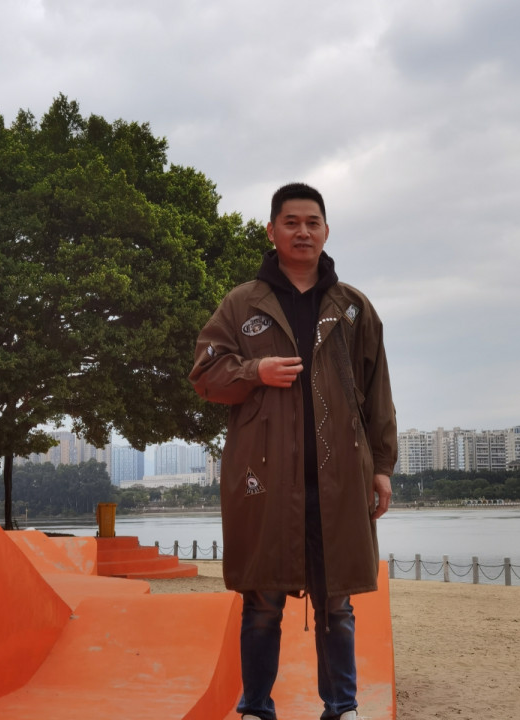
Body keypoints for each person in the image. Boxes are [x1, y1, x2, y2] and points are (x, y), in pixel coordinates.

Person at [189, 182, 397, 720]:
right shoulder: (242, 303)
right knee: (261, 603)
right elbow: (205, 375)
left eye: (312, 222)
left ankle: (342, 707)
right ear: (272, 231)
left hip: (339, 481)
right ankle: (256, 707)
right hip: (264, 481)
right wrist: (253, 370)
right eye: (291, 222)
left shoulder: (353, 308)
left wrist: (382, 468)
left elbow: (377, 393)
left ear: (326, 231)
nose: (302, 232)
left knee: (337, 603)